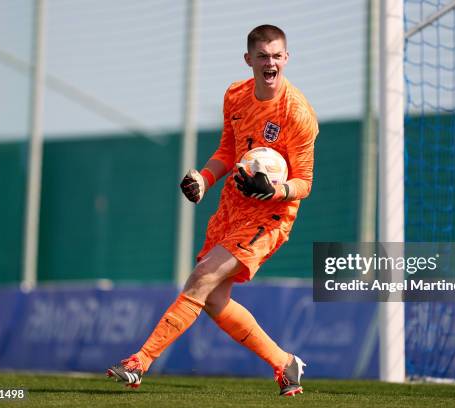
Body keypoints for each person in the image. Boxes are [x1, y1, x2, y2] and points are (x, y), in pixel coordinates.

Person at [107, 24, 319, 397]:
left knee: (202, 278)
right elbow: (227, 152)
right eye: (263, 56)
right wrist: (204, 180)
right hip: (231, 208)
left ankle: (140, 362)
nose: (270, 63)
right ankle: (285, 363)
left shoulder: (297, 113)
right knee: (216, 300)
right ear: (249, 60)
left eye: (277, 56)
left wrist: (274, 190)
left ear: (287, 58)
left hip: (270, 216)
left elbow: (305, 182)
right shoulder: (236, 96)